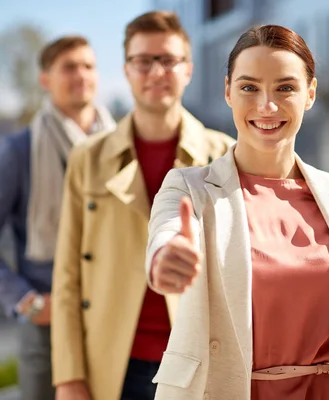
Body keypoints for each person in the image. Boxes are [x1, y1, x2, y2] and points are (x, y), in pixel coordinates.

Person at [144, 24, 329, 399]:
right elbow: (165, 236)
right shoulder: (189, 188)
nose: (266, 106)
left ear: (310, 94)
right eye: (249, 87)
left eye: (285, 87)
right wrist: (165, 259)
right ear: (228, 92)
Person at [50, 11, 234, 400]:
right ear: (126, 69)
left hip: (198, 360)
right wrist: (68, 376)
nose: (156, 71)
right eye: (143, 61)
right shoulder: (88, 158)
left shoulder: (224, 155)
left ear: (188, 70)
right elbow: (67, 275)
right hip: (113, 362)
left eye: (169, 60)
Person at [0, 35, 115, 400]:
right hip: (47, 323)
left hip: (113, 316)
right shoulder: (17, 151)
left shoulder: (120, 146)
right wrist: (25, 301)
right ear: (45, 79)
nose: (81, 75)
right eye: (69, 67)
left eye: (88, 66)